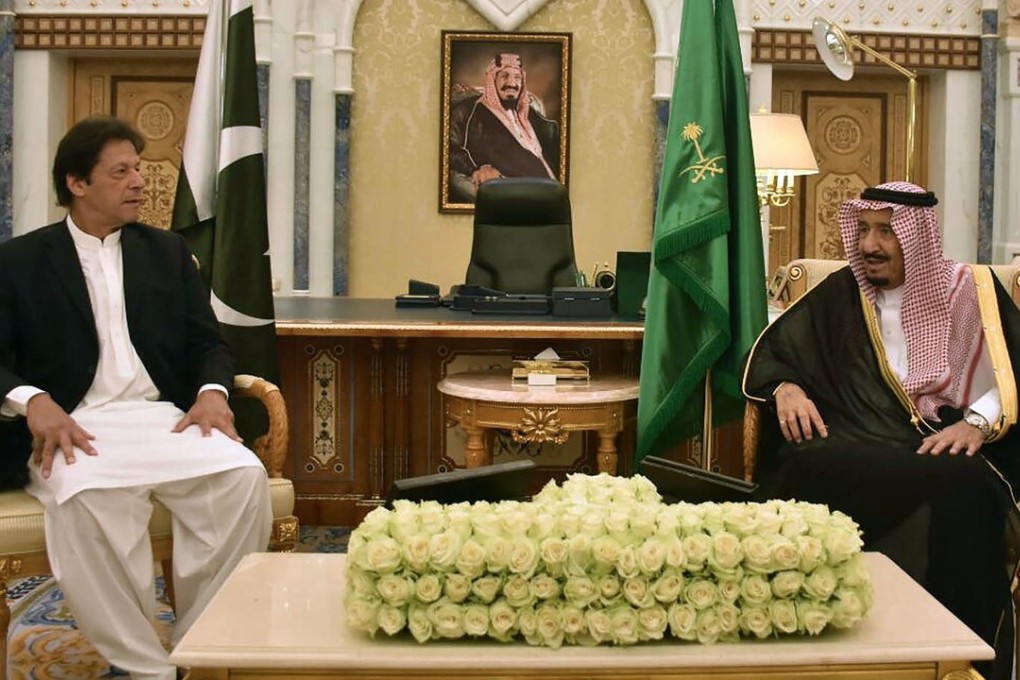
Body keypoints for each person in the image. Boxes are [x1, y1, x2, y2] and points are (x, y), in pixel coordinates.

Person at [0, 117, 272, 680]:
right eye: (120, 172)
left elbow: (207, 341)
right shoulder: (19, 260)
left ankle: (199, 646)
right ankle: (144, 666)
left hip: (164, 420)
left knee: (242, 477)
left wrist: (212, 392)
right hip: (76, 423)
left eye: (140, 170)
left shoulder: (166, 251)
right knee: (86, 498)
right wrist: (32, 400)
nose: (138, 183)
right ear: (77, 183)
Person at [743, 181, 1020, 680]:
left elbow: (1014, 369)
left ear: (917, 237)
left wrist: (978, 424)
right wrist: (785, 387)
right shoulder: (843, 291)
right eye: (865, 229)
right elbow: (779, 352)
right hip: (855, 435)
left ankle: (956, 655)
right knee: (807, 460)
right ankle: (804, 641)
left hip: (938, 438)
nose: (870, 245)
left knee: (966, 484)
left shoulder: (968, 290)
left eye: (887, 232)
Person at [447, 52, 560, 202]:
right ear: (492, 80)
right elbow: (449, 148)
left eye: (517, 77)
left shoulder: (533, 116)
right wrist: (476, 168)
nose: (512, 83)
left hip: (552, 197)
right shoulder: (469, 112)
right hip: (517, 197)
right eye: (505, 76)